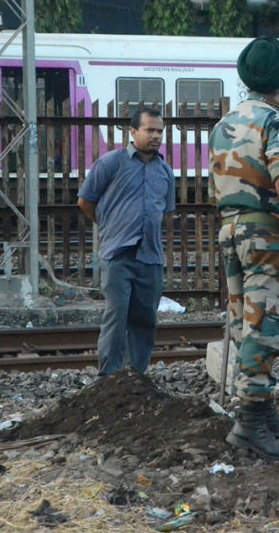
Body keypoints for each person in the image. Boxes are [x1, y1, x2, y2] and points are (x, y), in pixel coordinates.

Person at [210, 37, 279, 463]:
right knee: (264, 325)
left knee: (244, 322)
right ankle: (248, 425)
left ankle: (262, 412)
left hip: (230, 229)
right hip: (265, 234)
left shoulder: (224, 122)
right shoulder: (276, 121)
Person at [78, 105, 175, 377]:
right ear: (133, 131)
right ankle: (108, 379)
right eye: (149, 130)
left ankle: (135, 379)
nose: (155, 136)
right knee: (116, 317)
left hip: (150, 257)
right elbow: (86, 201)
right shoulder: (110, 163)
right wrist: (108, 226)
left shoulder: (165, 171)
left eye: (159, 131)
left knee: (145, 320)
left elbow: (167, 211)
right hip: (117, 254)